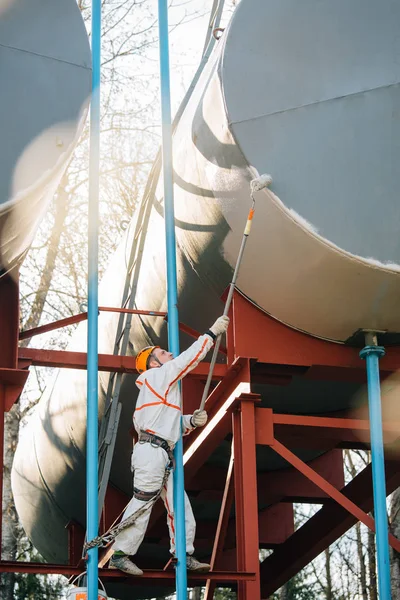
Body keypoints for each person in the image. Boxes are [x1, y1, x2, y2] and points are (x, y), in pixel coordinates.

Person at [109, 315, 230, 576]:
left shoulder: (162, 387)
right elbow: (187, 361)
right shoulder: (157, 377)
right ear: (153, 363)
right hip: (152, 453)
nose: (170, 353)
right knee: (143, 502)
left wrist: (190, 422)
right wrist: (210, 333)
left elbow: (169, 425)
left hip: (161, 452)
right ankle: (120, 554)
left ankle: (183, 556)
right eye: (164, 352)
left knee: (180, 506)